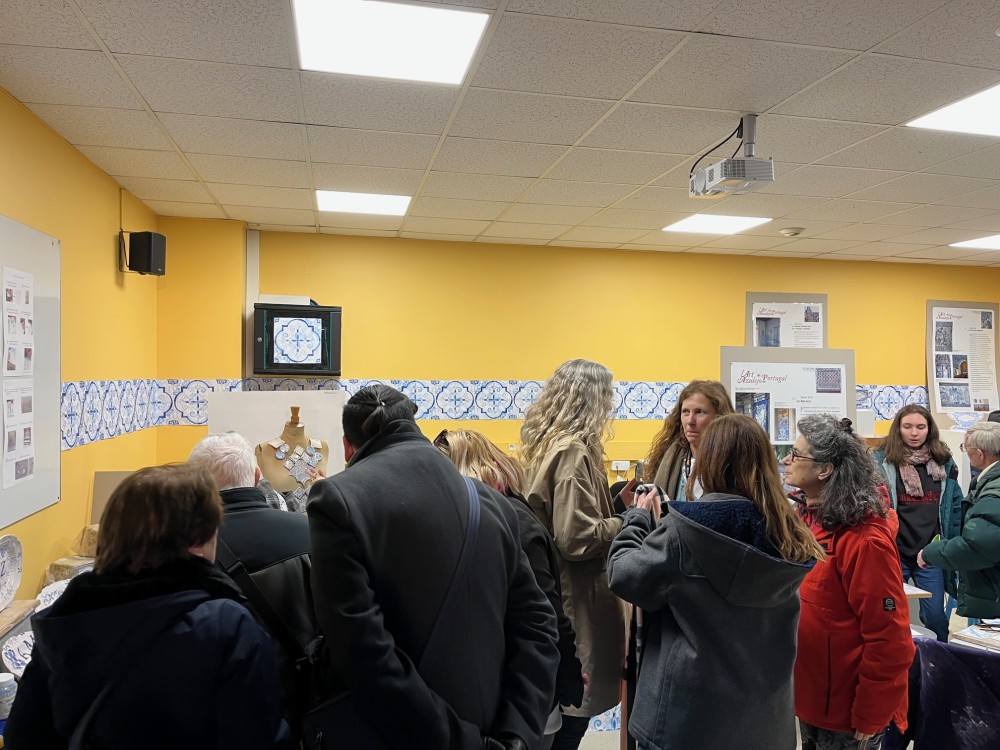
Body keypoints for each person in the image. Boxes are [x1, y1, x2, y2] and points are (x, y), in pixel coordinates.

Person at [308, 385, 558, 750]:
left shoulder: (338, 499)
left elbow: (364, 653)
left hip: (401, 737)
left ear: (348, 447)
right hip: (496, 729)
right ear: (414, 425)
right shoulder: (490, 502)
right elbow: (538, 625)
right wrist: (517, 733)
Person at [6, 464, 286, 749]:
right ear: (197, 541)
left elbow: (25, 737)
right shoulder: (227, 626)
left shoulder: (63, 621)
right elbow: (259, 736)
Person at [608, 414, 824, 750]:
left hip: (688, 719)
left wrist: (636, 519)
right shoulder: (789, 534)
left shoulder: (685, 532)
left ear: (707, 462)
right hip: (763, 722)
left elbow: (623, 574)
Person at [434, 428, 585, 746]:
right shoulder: (510, 515)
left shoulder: (506, 522)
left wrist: (568, 673)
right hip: (521, 691)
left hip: (519, 695)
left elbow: (546, 613)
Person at [783, 415, 914, 750]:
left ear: (824, 469)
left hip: (847, 713)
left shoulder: (864, 541)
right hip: (813, 699)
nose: (786, 460)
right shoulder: (807, 520)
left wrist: (872, 712)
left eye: (795, 454)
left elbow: (889, 636)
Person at [520, 359, 626, 750]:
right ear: (591, 399)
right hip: (576, 601)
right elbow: (576, 539)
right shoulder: (572, 452)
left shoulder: (549, 445)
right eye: (607, 396)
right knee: (570, 722)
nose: (610, 405)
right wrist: (627, 520)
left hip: (560, 596)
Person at [188, 432, 317, 727]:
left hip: (230, 708)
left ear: (196, 485)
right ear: (258, 476)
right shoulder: (309, 531)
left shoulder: (190, 547)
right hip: (307, 696)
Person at [871, 405, 962, 642]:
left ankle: (938, 661)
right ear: (897, 429)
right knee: (889, 615)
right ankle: (896, 660)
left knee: (935, 618)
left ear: (929, 429)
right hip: (894, 553)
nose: (914, 433)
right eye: (908, 426)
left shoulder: (944, 462)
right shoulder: (881, 461)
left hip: (930, 554)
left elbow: (954, 507)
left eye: (920, 427)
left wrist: (951, 545)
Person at [919, 420, 1000, 620]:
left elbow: (976, 547)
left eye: (966, 447)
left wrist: (930, 552)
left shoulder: (993, 494)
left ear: (979, 454)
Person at [644, 380, 734, 500]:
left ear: (719, 417)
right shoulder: (670, 457)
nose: (690, 421)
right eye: (685, 412)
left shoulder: (733, 461)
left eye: (699, 412)